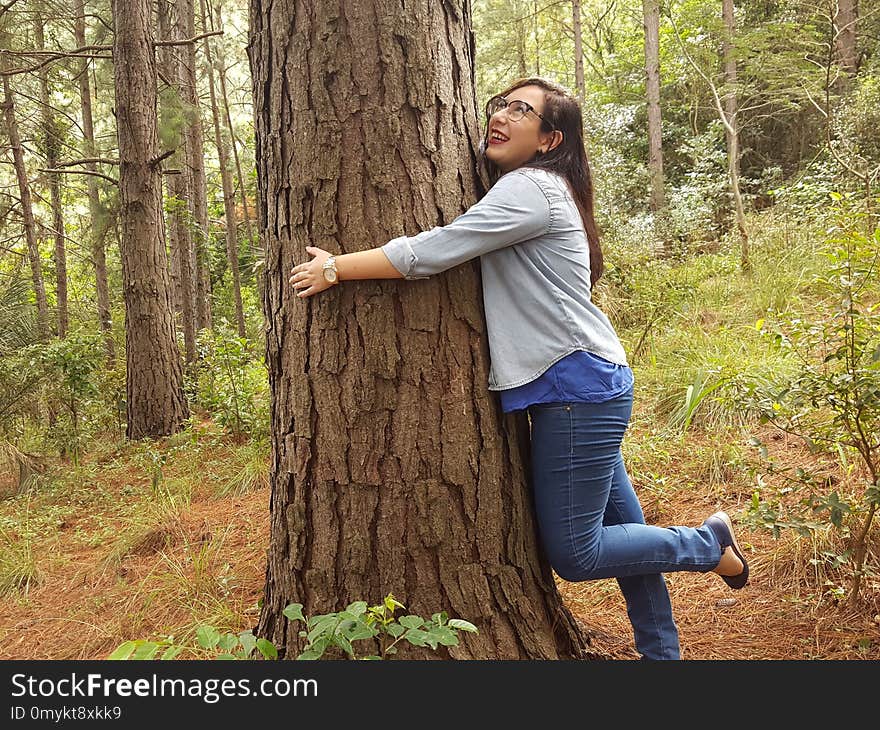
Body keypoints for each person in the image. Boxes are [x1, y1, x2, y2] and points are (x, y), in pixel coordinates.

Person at [288, 77, 750, 660]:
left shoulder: (532, 188)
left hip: (575, 389)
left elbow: (438, 247)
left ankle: (708, 544)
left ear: (550, 139)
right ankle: (663, 655)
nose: (501, 116)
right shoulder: (545, 189)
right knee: (627, 538)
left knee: (577, 553)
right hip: (584, 382)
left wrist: (337, 268)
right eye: (500, 104)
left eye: (521, 110)